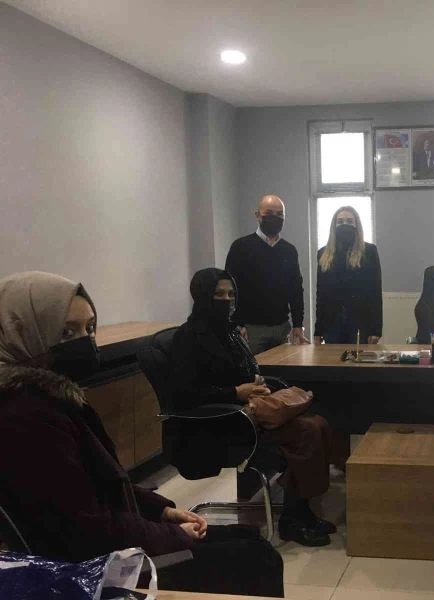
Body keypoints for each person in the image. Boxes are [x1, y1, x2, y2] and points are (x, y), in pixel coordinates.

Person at [0, 272, 283, 597]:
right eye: (67, 332)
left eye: (89, 328)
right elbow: (85, 529)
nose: (84, 341)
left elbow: (104, 484)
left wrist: (161, 511)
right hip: (92, 570)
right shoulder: (26, 417)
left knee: (249, 539)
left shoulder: (52, 398)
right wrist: (173, 535)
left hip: (115, 540)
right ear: (21, 332)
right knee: (258, 560)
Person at [169, 267, 335, 547]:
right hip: (220, 424)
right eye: (219, 294)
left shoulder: (230, 332)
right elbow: (184, 395)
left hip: (248, 413)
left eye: (231, 294)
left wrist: (256, 383)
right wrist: (236, 392)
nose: (227, 300)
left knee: (318, 423)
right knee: (306, 431)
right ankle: (292, 520)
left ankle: (302, 509)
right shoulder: (188, 338)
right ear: (202, 296)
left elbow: (243, 371)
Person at [225, 194, 308, 354]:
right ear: (258, 215)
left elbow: (296, 289)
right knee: (253, 369)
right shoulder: (240, 247)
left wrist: (298, 324)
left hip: (282, 328)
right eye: (269, 213)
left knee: (283, 369)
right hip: (250, 330)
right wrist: (236, 323)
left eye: (279, 214)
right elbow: (230, 288)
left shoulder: (289, 250)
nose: (274, 218)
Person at [314, 206, 382, 344]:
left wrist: (376, 329)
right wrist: (318, 330)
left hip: (360, 322)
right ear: (334, 226)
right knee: (333, 358)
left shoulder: (369, 251)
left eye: (350, 221)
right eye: (340, 221)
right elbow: (321, 294)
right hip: (331, 323)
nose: (344, 224)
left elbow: (375, 292)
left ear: (357, 225)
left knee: (358, 357)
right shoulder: (323, 253)